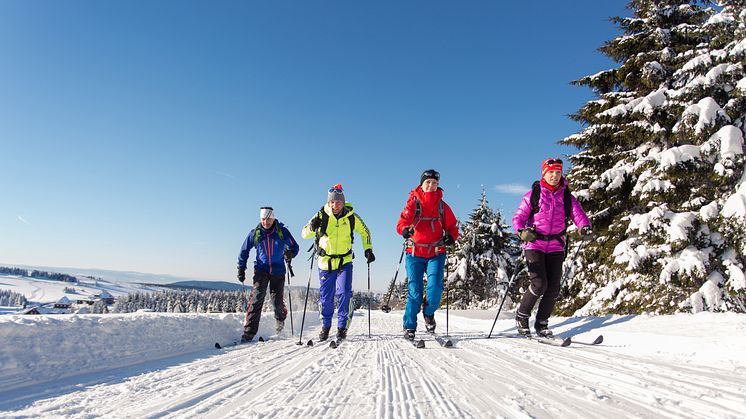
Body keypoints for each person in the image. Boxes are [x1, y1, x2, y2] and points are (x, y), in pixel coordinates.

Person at [511, 158, 592, 338]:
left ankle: (542, 323)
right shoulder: (533, 195)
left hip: (556, 245)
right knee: (539, 283)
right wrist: (521, 232)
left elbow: (579, 215)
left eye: (558, 172)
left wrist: (585, 226)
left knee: (553, 287)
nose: (555, 176)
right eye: (551, 172)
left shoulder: (566, 197)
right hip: (535, 244)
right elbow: (518, 218)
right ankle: (522, 316)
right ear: (544, 174)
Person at [301, 184, 374, 341]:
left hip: (344, 261)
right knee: (326, 298)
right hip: (325, 262)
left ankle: (342, 328)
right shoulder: (321, 215)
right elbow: (304, 233)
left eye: (339, 202)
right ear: (329, 202)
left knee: (344, 293)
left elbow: (365, 231)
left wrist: (368, 249)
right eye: (332, 202)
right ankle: (326, 326)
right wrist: (312, 228)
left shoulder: (351, 216)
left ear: (343, 202)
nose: (336, 205)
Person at [396, 169, 459, 340]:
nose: (431, 186)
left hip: (436, 253)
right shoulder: (413, 203)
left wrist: (451, 237)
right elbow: (401, 223)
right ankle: (409, 325)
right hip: (415, 253)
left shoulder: (442, 206)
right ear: (422, 185)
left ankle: (429, 314)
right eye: (428, 183)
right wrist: (405, 230)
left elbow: (453, 227)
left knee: (435, 290)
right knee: (415, 292)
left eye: (434, 183)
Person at [237, 206, 300, 343]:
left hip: (278, 271)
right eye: (263, 219)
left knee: (277, 302)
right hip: (261, 270)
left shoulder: (282, 232)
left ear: (273, 218)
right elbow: (244, 250)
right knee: (257, 299)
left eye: (269, 219)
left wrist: (290, 253)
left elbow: (295, 247)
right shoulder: (255, 234)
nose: (266, 222)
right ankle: (248, 333)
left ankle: (280, 321)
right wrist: (241, 267)